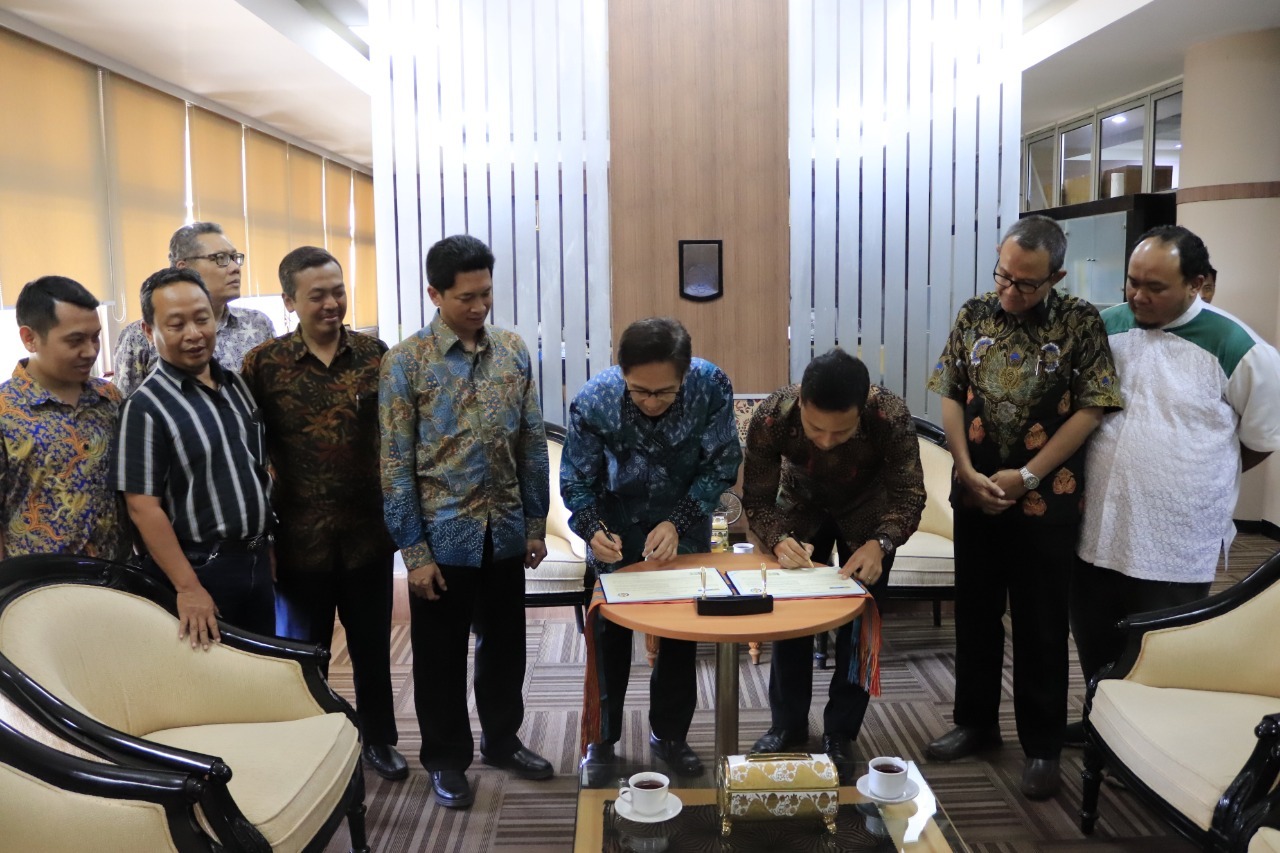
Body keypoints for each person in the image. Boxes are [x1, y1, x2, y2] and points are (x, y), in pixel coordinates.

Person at [925, 214, 1122, 799]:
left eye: (1026, 283)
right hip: (976, 492)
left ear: (1056, 276)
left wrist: (1029, 475)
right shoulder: (974, 314)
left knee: (1040, 623)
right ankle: (975, 723)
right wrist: (964, 468)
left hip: (1045, 500)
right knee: (975, 614)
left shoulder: (1080, 322)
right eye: (1003, 275)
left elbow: (1093, 407)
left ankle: (1042, 747)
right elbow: (951, 393)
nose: (1010, 290)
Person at [1070, 226, 1280, 737]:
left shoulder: (1241, 349)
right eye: (1132, 282)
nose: (1138, 296)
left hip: (1175, 535)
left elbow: (1259, 440)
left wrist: (1196, 476)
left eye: (1155, 287)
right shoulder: (1105, 327)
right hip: (1098, 523)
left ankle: (1147, 741)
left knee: (1161, 646)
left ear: (1197, 284)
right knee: (1094, 633)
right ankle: (1100, 727)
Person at [380, 234, 552, 810]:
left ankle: (502, 741)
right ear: (435, 294)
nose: (479, 307)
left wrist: (535, 522)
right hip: (443, 535)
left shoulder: (512, 350)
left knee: (506, 647)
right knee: (440, 655)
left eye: (486, 294)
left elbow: (531, 441)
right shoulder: (406, 362)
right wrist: (414, 553)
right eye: (465, 297)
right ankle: (446, 759)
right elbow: (395, 465)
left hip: (504, 529)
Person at [240, 247, 407, 782]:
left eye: (338, 291)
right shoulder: (264, 365)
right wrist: (262, 537)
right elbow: (249, 454)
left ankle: (379, 739)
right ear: (290, 301)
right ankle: (312, 745)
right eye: (318, 295)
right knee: (304, 656)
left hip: (367, 534)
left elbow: (396, 439)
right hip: (298, 539)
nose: (332, 303)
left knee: (371, 648)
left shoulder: (374, 354)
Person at [562, 317, 742, 778]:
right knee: (609, 638)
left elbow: (721, 464)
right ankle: (600, 741)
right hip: (615, 527)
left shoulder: (711, 386)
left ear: (684, 375)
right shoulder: (595, 400)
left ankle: (670, 735)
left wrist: (678, 521)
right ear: (622, 372)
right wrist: (592, 528)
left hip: (683, 524)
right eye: (640, 391)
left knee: (680, 633)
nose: (652, 402)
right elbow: (576, 480)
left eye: (664, 393)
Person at [743, 349, 924, 777]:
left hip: (868, 514)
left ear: (861, 411)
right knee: (792, 619)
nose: (825, 440)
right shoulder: (772, 415)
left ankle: (841, 732)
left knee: (860, 625)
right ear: (801, 401)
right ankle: (787, 725)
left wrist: (881, 543)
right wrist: (777, 539)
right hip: (799, 509)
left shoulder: (890, 415)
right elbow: (757, 498)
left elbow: (909, 496)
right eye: (815, 429)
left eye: (840, 431)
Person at [113, 267, 275, 646]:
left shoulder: (236, 385)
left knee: (262, 671)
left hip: (255, 560)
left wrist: (267, 544)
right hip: (201, 569)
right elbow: (142, 508)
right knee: (213, 677)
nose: (194, 334)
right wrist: (187, 587)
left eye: (202, 319)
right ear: (149, 331)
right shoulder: (144, 407)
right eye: (176, 324)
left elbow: (256, 469)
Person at [0, 276, 130, 561]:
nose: (91, 351)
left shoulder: (109, 398)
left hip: (115, 574)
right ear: (30, 339)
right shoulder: (6, 410)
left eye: (95, 337)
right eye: (75, 340)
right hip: (40, 579)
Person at [112, 222, 274, 396]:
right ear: (185, 268)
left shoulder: (257, 323)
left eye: (235, 258)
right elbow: (126, 402)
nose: (235, 268)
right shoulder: (139, 336)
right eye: (220, 258)